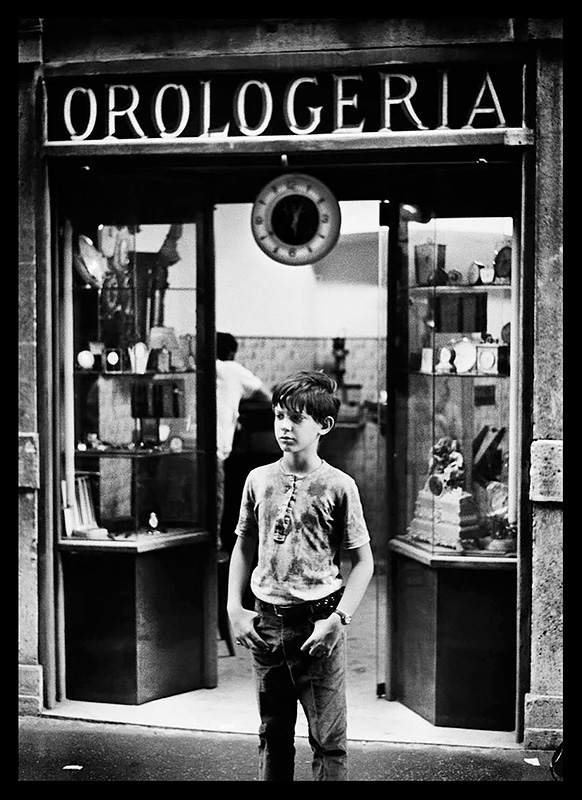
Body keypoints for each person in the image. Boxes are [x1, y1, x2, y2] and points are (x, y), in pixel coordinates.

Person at [227, 370, 374, 781]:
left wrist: (338, 620)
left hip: (318, 624)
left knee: (328, 740)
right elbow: (243, 546)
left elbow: (364, 562)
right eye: (279, 417)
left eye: (297, 419)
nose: (285, 427)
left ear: (324, 426)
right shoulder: (258, 479)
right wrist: (234, 609)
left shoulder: (339, 486)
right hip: (266, 623)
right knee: (272, 734)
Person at [216, 332, 271, 554]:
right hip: (218, 448)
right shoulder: (232, 369)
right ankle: (216, 548)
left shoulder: (200, 368)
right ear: (231, 353)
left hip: (188, 446)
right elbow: (266, 395)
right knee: (216, 498)